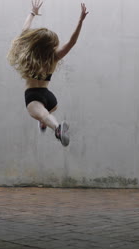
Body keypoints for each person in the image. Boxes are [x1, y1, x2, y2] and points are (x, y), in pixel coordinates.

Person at [8, 0, 89, 147]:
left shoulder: (29, 56)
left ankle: (53, 126)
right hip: (49, 98)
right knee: (47, 113)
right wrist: (80, 21)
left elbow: (25, 31)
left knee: (43, 114)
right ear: (51, 46)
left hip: (33, 96)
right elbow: (72, 42)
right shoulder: (54, 57)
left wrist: (32, 13)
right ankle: (50, 125)